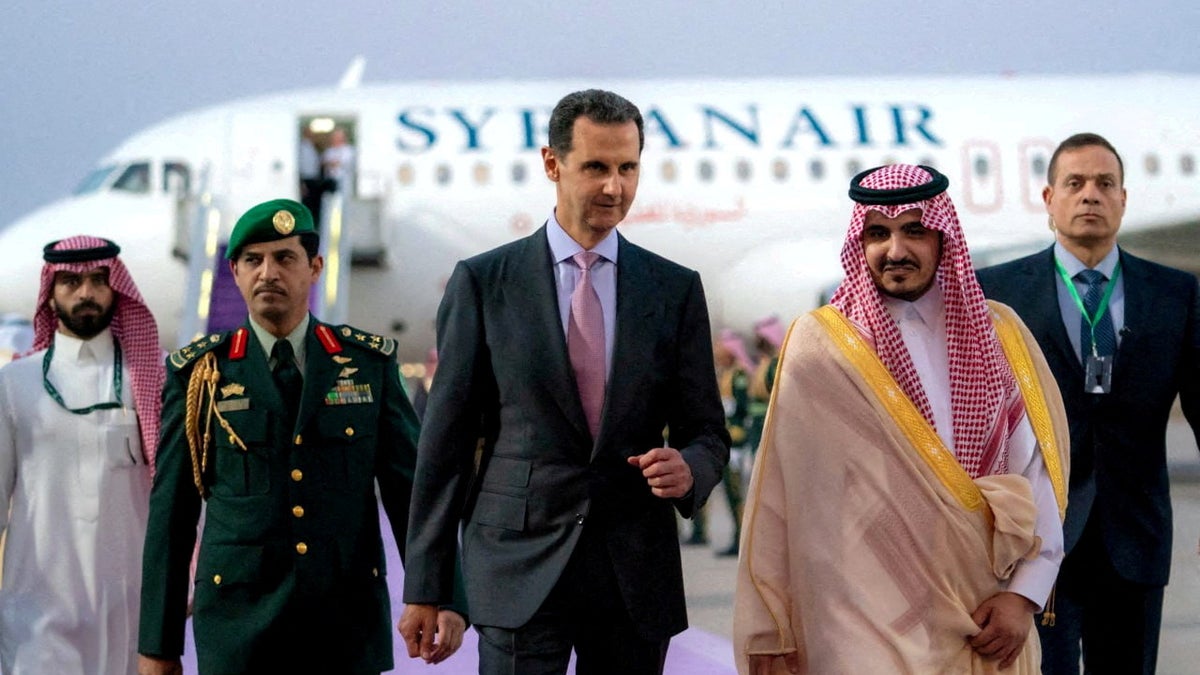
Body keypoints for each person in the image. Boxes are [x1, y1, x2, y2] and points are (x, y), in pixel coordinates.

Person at [400, 89, 730, 674]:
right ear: (553, 165)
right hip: (518, 572)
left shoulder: (674, 290)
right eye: (596, 168)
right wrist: (429, 585)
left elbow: (706, 430)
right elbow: (444, 444)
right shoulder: (483, 283)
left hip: (634, 576)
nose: (615, 187)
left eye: (628, 168)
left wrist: (690, 470)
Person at [734, 164, 1070, 674]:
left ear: (943, 238)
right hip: (859, 618)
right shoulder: (822, 346)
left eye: (914, 230)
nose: (895, 250)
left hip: (983, 612)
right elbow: (786, 497)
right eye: (878, 233)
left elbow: (1034, 477)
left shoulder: (1000, 335)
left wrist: (1024, 596)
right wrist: (782, 623)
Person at [137, 199, 465, 675]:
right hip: (238, 629)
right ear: (234, 271)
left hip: (343, 625)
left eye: (284, 258)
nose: (268, 272)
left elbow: (411, 493)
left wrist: (442, 594)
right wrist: (158, 645)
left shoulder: (366, 365)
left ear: (314, 267)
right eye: (253, 260)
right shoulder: (200, 375)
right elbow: (172, 514)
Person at [977, 132, 1200, 674]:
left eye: (1105, 184)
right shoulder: (996, 292)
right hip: (1032, 542)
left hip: (1136, 539)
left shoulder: (1175, 294)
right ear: (1049, 200)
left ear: (1124, 199)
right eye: (1074, 184)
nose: (1090, 195)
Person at [0, 236, 163, 674]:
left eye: (97, 279)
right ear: (50, 292)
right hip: (37, 617)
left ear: (117, 288)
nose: (86, 292)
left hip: (130, 615)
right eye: (71, 281)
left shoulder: (156, 380)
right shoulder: (14, 385)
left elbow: (185, 501)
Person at [713, 328, 753, 556]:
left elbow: (743, 409)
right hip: (727, 440)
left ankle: (742, 539)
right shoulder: (726, 373)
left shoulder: (739, 375)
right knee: (730, 491)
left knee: (738, 493)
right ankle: (736, 537)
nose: (718, 350)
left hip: (738, 442)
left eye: (721, 346)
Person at [298, 127, 325, 226]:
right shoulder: (301, 147)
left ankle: (315, 225)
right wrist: (301, 183)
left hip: (315, 180)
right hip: (306, 180)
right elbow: (299, 166)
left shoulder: (313, 147)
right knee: (307, 205)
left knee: (315, 205)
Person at [322, 128, 356, 195]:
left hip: (345, 180)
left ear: (343, 138)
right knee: (328, 200)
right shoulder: (329, 150)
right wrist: (333, 163)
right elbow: (323, 162)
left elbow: (344, 163)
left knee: (343, 199)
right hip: (330, 179)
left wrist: (332, 163)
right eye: (333, 137)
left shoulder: (349, 150)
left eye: (337, 137)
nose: (335, 139)